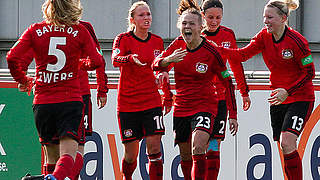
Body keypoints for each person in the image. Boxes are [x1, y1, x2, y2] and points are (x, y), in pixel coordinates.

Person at [6, 0, 104, 179]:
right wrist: (80, 64)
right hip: (70, 100)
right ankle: (52, 179)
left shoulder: (35, 30)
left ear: (48, 7)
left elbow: (12, 57)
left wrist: (23, 79)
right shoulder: (80, 30)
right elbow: (97, 61)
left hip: (43, 102)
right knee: (69, 155)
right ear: (73, 6)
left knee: (51, 158)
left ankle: (49, 177)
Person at [221, 0, 315, 180]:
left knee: (288, 141)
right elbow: (242, 55)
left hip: (300, 98)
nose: (265, 21)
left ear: (283, 18)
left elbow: (309, 72)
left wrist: (288, 91)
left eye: (270, 17)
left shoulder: (297, 41)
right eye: (264, 17)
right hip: (278, 99)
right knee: (284, 146)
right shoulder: (263, 36)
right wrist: (215, 49)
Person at [152, 0, 237, 179]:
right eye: (184, 23)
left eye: (191, 23)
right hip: (182, 107)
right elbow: (156, 64)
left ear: (200, 27)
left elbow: (228, 82)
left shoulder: (211, 51)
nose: (187, 27)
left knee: (199, 147)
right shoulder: (177, 45)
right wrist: (168, 62)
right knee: (185, 155)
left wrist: (233, 114)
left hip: (206, 105)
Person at [111, 1, 172, 180]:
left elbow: (161, 68)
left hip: (152, 101)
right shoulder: (123, 39)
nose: (146, 18)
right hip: (128, 104)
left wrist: (167, 95)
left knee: (154, 147)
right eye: (141, 15)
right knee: (131, 154)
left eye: (148, 14)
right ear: (132, 19)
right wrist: (129, 58)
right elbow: (115, 59)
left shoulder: (157, 41)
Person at [200, 0, 250, 179]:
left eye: (218, 17)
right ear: (202, 15)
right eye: (210, 17)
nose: (214, 21)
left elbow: (236, 64)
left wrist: (244, 92)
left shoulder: (228, 35)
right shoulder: (195, 33)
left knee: (214, 144)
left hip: (220, 98)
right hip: (200, 100)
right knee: (198, 145)